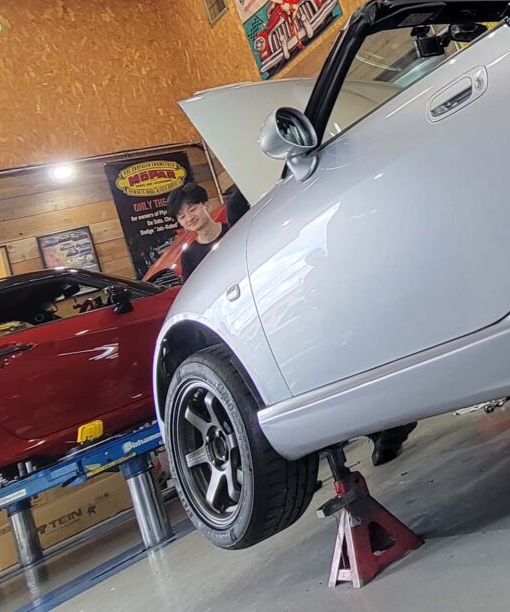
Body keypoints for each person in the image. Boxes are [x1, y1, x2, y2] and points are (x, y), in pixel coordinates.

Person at [168, 181, 414, 465]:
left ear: (207, 205)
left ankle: (386, 427)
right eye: (182, 216)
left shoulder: (236, 228)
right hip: (238, 330)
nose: (189, 217)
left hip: (272, 308)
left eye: (192, 208)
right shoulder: (189, 257)